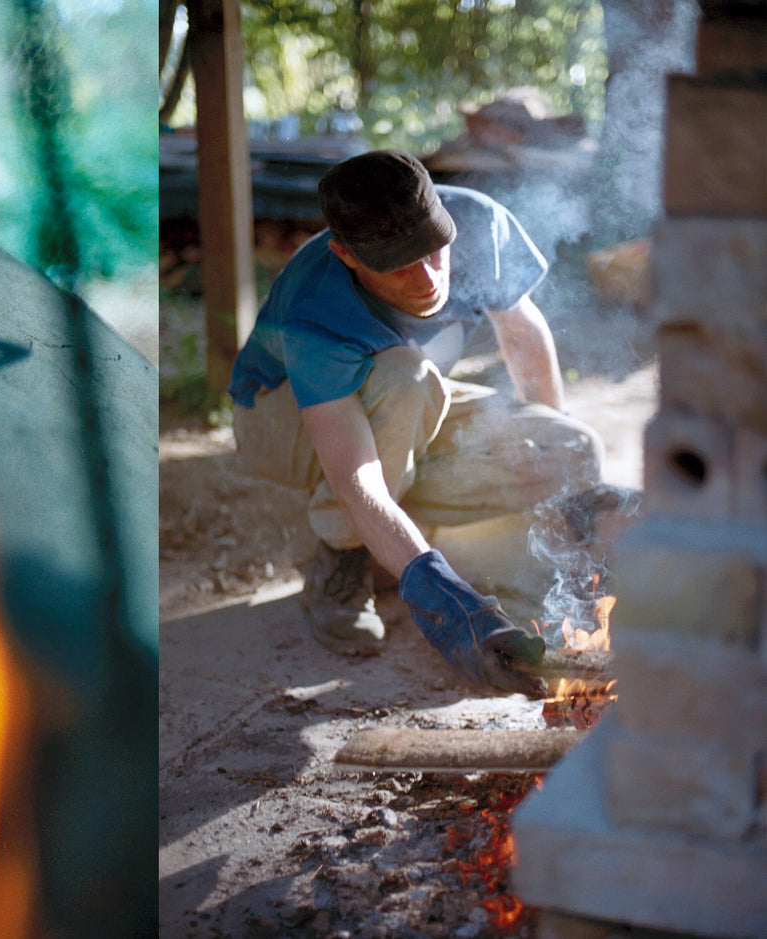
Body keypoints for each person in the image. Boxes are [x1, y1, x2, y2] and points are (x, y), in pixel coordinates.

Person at [229, 150, 605, 696]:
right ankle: (343, 555)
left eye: (433, 250)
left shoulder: (476, 221)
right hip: (279, 418)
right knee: (406, 379)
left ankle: (393, 540)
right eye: (399, 263)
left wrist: (557, 490)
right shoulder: (316, 308)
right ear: (346, 255)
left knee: (572, 451)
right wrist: (446, 600)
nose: (428, 277)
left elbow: (522, 334)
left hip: (405, 396)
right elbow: (356, 477)